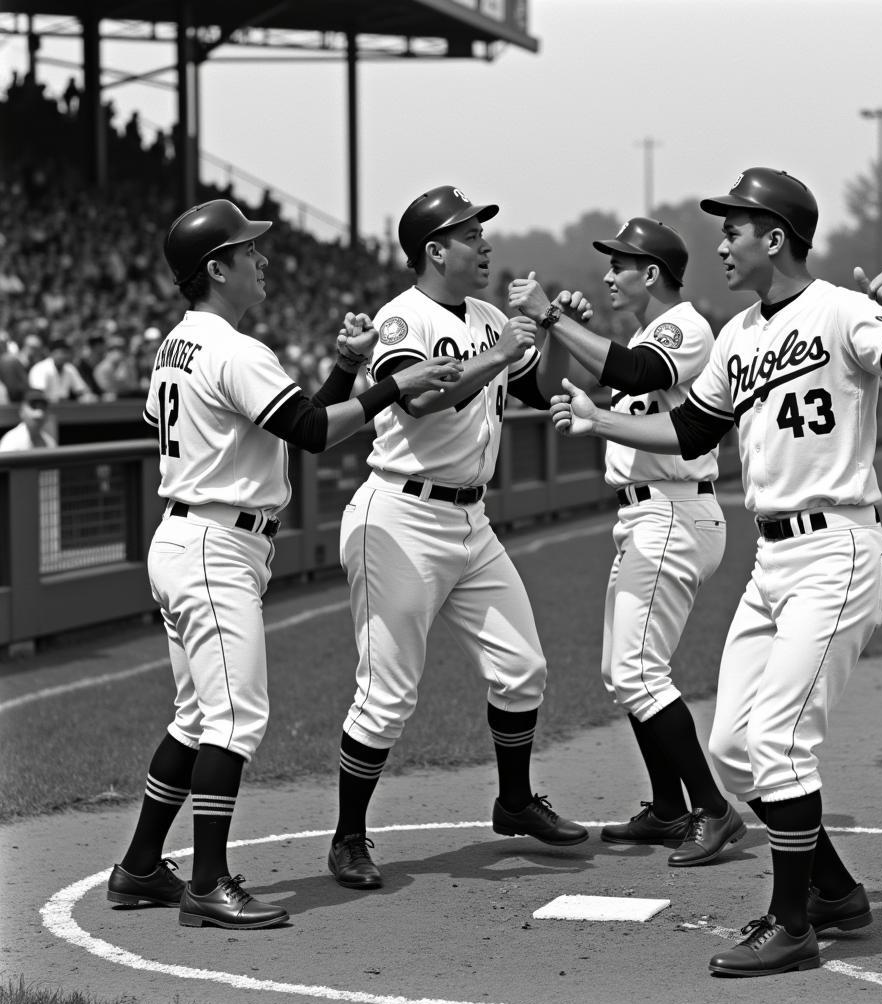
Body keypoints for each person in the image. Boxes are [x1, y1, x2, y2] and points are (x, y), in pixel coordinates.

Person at [550, 167, 882, 977]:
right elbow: (695, 427)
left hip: (837, 547)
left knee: (780, 739)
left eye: (734, 229)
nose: (722, 244)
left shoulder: (842, 311)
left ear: (775, 237)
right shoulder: (737, 334)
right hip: (772, 556)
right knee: (735, 749)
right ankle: (836, 890)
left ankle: (791, 919)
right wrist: (600, 417)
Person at [106, 198, 461, 930]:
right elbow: (306, 430)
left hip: (188, 537)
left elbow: (292, 429)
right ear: (216, 268)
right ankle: (207, 881)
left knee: (197, 716)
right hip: (213, 542)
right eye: (248, 252)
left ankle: (141, 866)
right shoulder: (236, 350)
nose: (262, 261)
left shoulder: (178, 344)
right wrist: (389, 385)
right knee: (235, 719)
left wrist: (344, 373)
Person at [328, 185, 589, 891]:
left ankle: (514, 799)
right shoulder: (399, 319)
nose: (486, 246)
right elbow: (415, 401)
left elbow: (542, 392)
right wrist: (502, 351)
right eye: (471, 236)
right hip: (401, 518)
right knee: (386, 695)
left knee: (522, 668)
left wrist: (552, 329)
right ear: (434, 250)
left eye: (483, 234)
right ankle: (348, 838)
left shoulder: (487, 316)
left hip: (471, 519)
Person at [507, 218, 745, 867]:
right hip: (647, 517)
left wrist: (553, 319)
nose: (610, 274)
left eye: (621, 264)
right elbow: (573, 390)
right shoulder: (644, 333)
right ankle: (670, 808)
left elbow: (638, 371)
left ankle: (714, 811)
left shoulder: (685, 327)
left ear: (653, 272)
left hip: (672, 511)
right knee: (624, 673)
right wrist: (561, 335)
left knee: (641, 672)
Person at [27, 339, 95, 403]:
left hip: (64, 408)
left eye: (66, 352)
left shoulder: (69, 368)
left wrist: (87, 397)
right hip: (43, 407)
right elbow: (37, 395)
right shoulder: (40, 368)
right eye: (61, 352)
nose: (63, 356)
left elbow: (82, 391)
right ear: (51, 353)